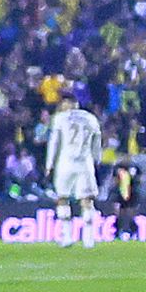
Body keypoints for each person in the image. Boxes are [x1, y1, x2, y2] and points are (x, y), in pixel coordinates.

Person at [39, 84, 109, 246]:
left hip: (65, 163)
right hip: (84, 163)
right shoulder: (91, 118)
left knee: (62, 198)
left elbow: (54, 143)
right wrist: (96, 161)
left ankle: (67, 236)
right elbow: (97, 143)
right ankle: (89, 239)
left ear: (69, 102)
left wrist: (49, 164)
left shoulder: (60, 118)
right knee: (86, 200)